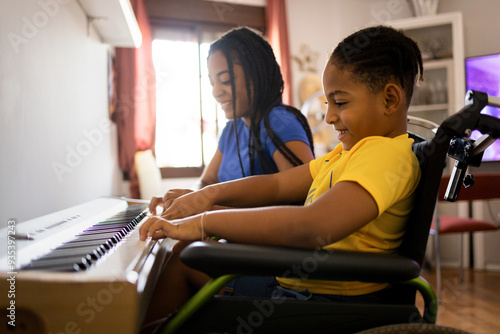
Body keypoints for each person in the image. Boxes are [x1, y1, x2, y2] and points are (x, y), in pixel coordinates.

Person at [139, 25, 424, 331]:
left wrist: (203, 221)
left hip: (321, 300)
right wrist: (206, 196)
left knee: (182, 271)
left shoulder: (385, 154)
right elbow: (276, 184)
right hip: (301, 285)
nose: (328, 117)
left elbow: (313, 226)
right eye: (328, 104)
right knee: (184, 261)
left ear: (390, 99)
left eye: (340, 102)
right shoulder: (345, 154)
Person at [150, 27, 314, 212]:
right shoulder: (231, 129)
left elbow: (303, 195)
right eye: (212, 82)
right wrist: (191, 197)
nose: (215, 92)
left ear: (256, 75)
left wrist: (212, 205)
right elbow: (206, 182)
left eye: (225, 80)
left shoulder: (280, 121)